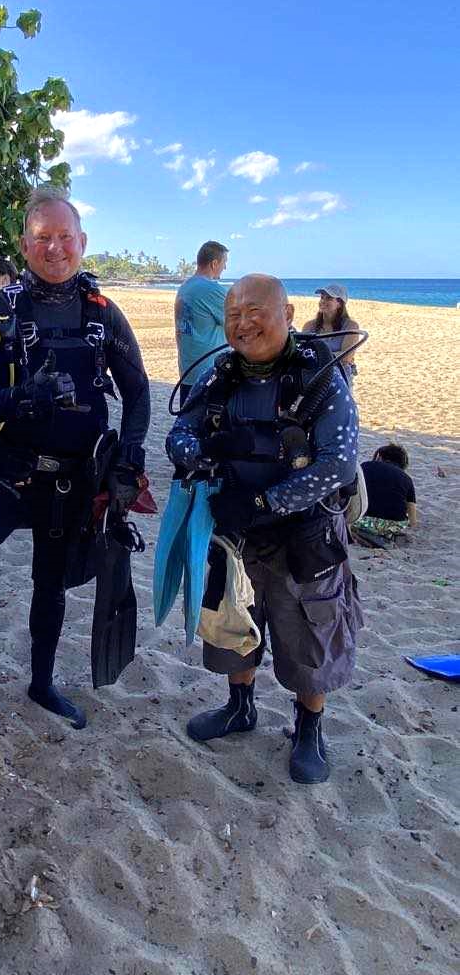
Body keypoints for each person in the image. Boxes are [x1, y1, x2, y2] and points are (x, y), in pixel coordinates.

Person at [0, 186, 151, 729]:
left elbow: (139, 391)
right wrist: (25, 395)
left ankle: (41, 683)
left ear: (82, 242)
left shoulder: (104, 315)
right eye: (42, 238)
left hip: (70, 485)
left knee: (50, 589)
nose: (55, 248)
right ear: (25, 246)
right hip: (6, 479)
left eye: (64, 237)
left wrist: (129, 455)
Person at [166, 273, 363, 785]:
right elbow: (181, 429)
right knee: (233, 622)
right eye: (233, 314)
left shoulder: (320, 376)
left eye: (256, 311)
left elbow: (338, 464)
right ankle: (240, 707)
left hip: (303, 534)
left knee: (309, 638)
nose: (243, 323)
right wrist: (199, 457)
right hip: (233, 533)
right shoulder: (221, 373)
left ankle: (309, 729)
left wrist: (262, 501)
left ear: (289, 315)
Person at [174, 241, 228, 400]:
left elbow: (179, 332)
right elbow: (238, 324)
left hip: (188, 370)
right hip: (210, 372)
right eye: (224, 263)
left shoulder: (185, 287)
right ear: (214, 263)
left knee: (188, 421)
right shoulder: (211, 289)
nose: (225, 268)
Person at [302, 282, 360, 385]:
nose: (323, 301)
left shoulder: (351, 326)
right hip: (312, 379)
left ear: (339, 303)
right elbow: (301, 353)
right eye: (322, 297)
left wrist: (315, 357)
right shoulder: (309, 326)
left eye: (328, 298)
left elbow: (346, 357)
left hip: (340, 379)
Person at [356, 443, 417, 539]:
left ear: (379, 456)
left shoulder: (365, 466)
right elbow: (413, 521)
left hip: (360, 521)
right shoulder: (407, 479)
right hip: (392, 527)